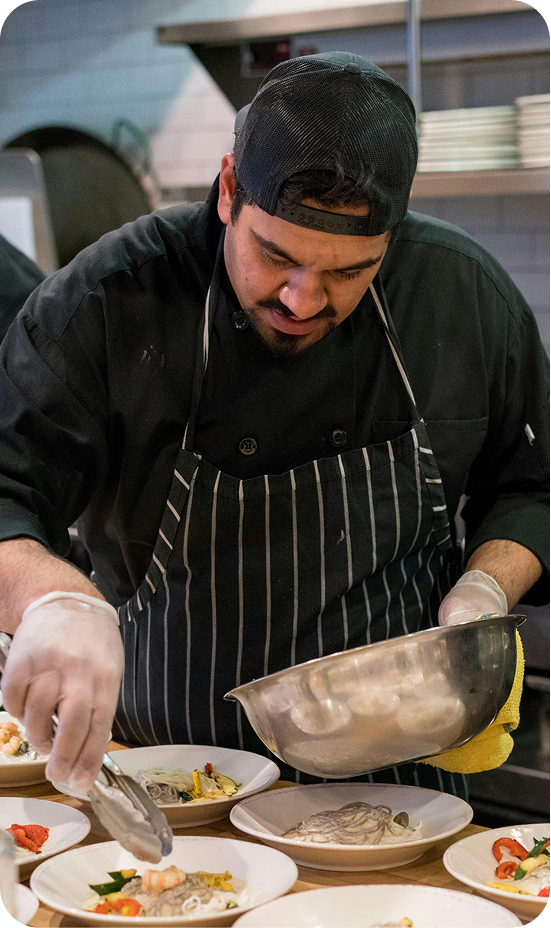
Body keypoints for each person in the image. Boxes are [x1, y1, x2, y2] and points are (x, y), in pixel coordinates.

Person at [0, 53, 548, 799]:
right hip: (166, 785)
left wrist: (485, 585)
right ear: (229, 189)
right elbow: (7, 490)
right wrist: (51, 599)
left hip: (402, 794)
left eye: (348, 273)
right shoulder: (107, 301)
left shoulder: (460, 294)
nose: (300, 299)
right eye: (274, 255)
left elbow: (531, 486)